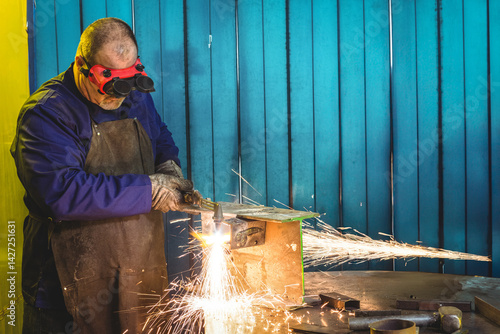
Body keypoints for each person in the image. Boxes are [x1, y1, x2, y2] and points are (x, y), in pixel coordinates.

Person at [11, 17, 193, 333]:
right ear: (82, 65)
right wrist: (151, 190)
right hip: (68, 284)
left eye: (127, 85)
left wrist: (168, 167)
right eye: (109, 88)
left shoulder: (134, 93)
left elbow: (159, 134)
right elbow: (62, 193)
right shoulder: (46, 113)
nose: (119, 97)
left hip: (136, 271)